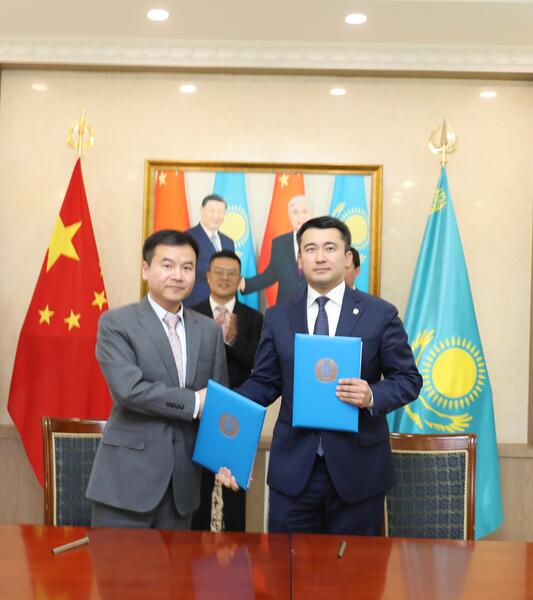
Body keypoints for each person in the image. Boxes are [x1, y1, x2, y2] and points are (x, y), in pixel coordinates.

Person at [230, 216, 422, 535]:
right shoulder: (278, 317)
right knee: (287, 565)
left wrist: (372, 395)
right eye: (310, 249)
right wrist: (221, 404)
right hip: (294, 474)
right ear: (299, 260)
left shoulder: (379, 314)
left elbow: (408, 380)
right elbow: (264, 383)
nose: (320, 257)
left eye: (330, 248)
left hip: (359, 473)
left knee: (355, 567)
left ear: (347, 257)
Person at [86, 229, 236, 529]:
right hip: (125, 486)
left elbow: (218, 402)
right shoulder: (117, 323)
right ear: (146, 269)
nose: (178, 275)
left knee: (176, 563)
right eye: (167, 265)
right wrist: (194, 402)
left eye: (187, 267)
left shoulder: (208, 330)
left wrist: (227, 460)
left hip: (183, 491)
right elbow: (129, 391)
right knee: (117, 562)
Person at [191, 249, 263, 532]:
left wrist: (233, 339)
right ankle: (192, 551)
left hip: (237, 414)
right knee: (195, 491)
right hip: (197, 412)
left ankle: (235, 553)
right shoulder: (191, 313)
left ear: (240, 279)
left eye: (231, 273)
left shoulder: (254, 318)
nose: (224, 278)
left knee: (234, 491)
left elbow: (260, 363)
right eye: (219, 272)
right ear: (208, 277)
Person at [239, 195, 312, 304]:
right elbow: (270, 275)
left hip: (315, 308)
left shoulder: (322, 242)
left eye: (304, 212)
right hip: (285, 308)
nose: (300, 217)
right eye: (295, 212)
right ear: (289, 215)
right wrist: (244, 284)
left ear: (311, 215)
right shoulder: (279, 243)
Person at [185, 194, 235, 307]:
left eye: (220, 212)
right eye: (212, 211)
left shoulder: (228, 241)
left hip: (225, 305)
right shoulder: (187, 237)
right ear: (202, 211)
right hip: (197, 303)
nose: (216, 216)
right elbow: (189, 266)